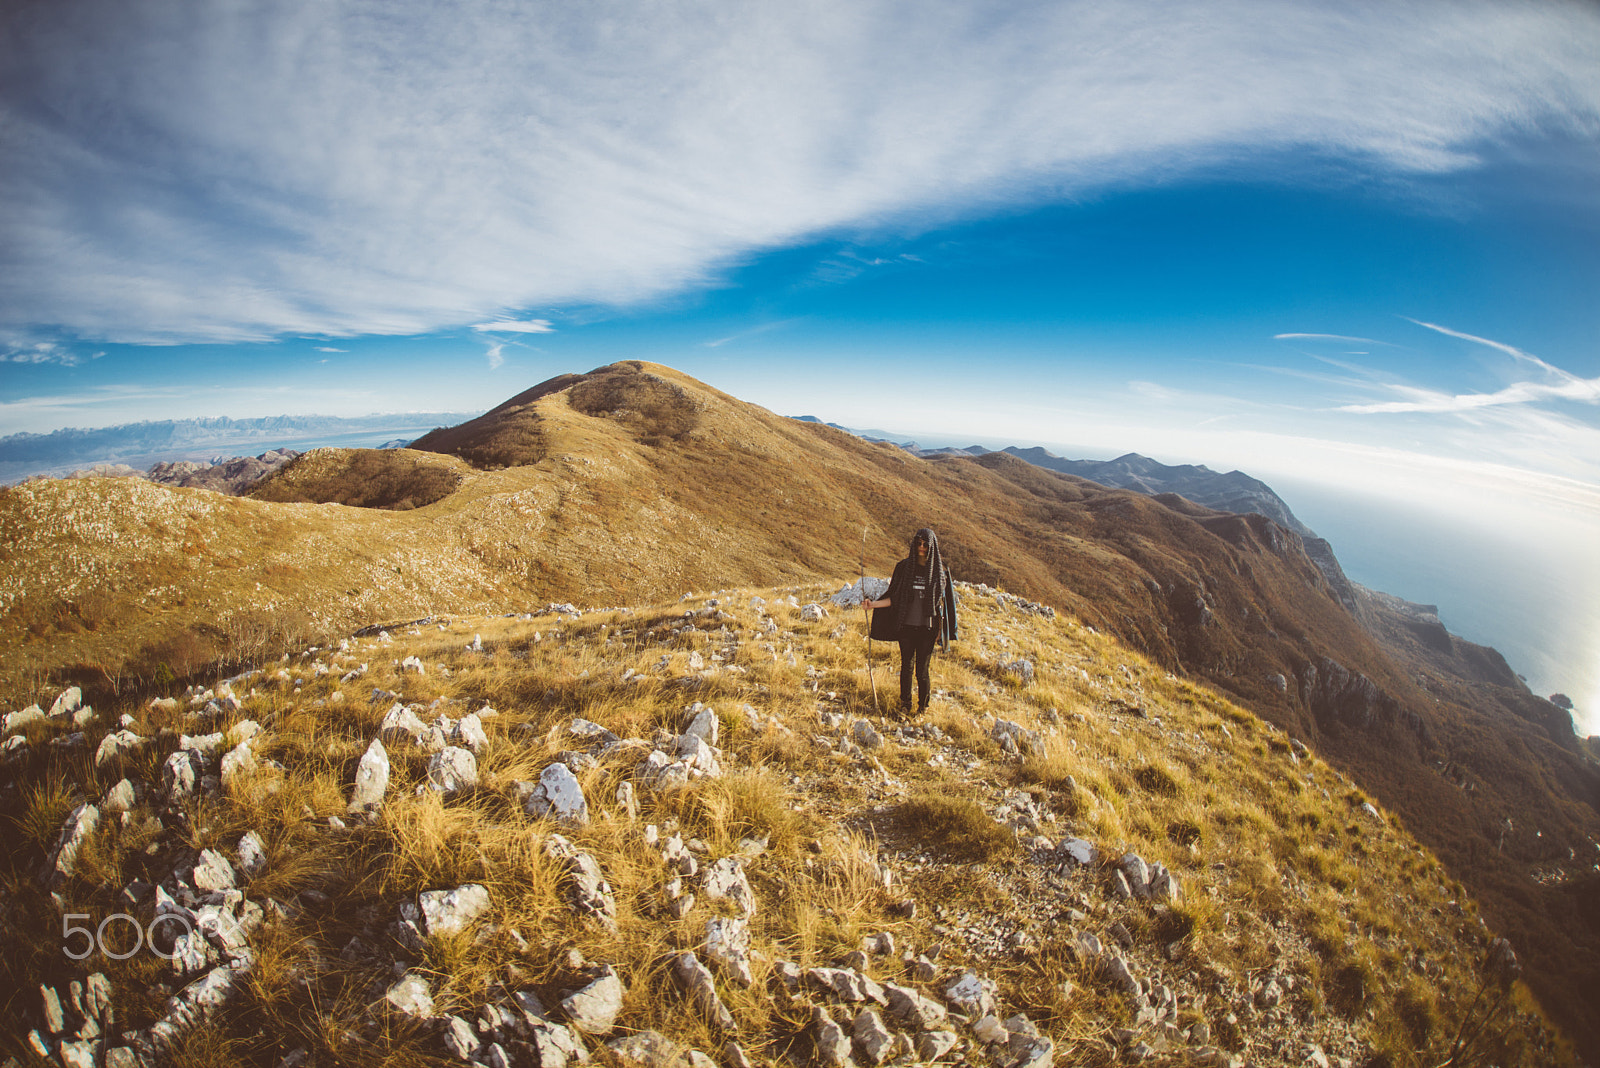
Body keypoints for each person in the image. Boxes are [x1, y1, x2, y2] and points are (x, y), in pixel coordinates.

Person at [866, 527, 958, 716]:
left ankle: (923, 707)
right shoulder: (904, 568)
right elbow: (895, 597)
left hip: (928, 629)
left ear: (932, 546)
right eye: (919, 543)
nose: (922, 547)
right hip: (906, 627)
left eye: (925, 544)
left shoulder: (940, 573)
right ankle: (904, 705)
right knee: (906, 667)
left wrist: (942, 631)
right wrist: (872, 605)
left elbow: (944, 606)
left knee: (922, 671)